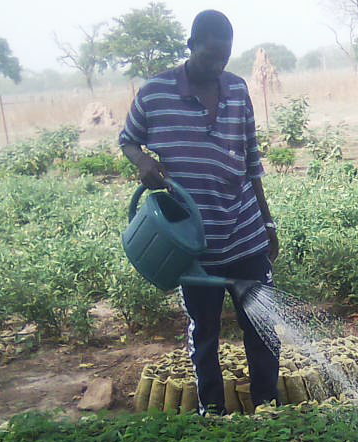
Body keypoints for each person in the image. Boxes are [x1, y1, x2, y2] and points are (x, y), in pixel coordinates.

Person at [120, 9, 280, 414]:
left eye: (223, 58)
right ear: (191, 46)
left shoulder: (238, 89)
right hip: (193, 243)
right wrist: (143, 163)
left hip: (244, 231)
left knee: (262, 329)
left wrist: (267, 221)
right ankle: (212, 411)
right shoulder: (155, 94)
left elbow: (251, 159)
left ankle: (268, 408)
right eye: (209, 57)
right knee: (204, 331)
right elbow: (128, 139)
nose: (216, 66)